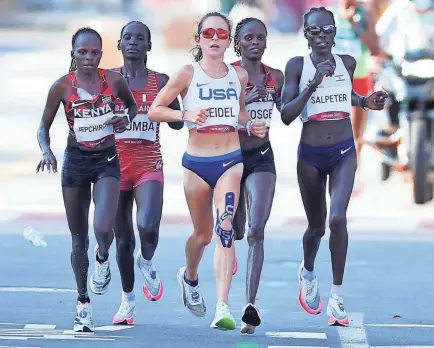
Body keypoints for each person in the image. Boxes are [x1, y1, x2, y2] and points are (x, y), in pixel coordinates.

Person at [148, 11, 267, 330]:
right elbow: (155, 110)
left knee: (225, 228)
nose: (215, 39)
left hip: (230, 160)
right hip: (196, 164)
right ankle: (189, 277)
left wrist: (250, 124)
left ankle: (222, 307)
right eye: (209, 33)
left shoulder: (238, 76)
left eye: (222, 34)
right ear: (199, 39)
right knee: (202, 235)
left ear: (229, 40)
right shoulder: (187, 73)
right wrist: (186, 113)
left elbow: (240, 113)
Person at [280, 7, 387, 326]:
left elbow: (345, 94)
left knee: (338, 218)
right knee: (317, 226)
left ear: (335, 33)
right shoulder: (297, 66)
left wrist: (365, 102)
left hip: (343, 151)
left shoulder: (348, 62)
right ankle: (308, 271)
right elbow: (286, 114)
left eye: (328, 30)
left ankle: (337, 297)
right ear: (306, 35)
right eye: (315, 31)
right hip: (311, 154)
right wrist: (312, 83)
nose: (322, 36)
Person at [36, 27, 138, 332]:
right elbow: (43, 126)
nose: (89, 58)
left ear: (101, 55)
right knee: (78, 238)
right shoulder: (61, 87)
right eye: (83, 52)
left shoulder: (114, 81)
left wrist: (126, 118)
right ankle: (83, 303)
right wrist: (47, 151)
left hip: (107, 161)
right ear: (73, 54)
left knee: (103, 227)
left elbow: (131, 107)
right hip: (75, 165)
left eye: (94, 52)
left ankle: (103, 256)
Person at [109, 20, 183, 325]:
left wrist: (166, 108)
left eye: (140, 38)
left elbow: (178, 121)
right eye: (127, 37)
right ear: (120, 44)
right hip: (112, 169)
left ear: (148, 45)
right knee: (123, 239)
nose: (133, 42)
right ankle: (127, 301)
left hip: (148, 164)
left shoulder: (161, 81)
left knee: (148, 225)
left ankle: (148, 260)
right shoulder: (108, 80)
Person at [230, 17, 284, 334]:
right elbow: (216, 118)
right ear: (238, 43)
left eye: (260, 37)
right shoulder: (226, 75)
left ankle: (250, 305)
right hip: (230, 158)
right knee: (235, 231)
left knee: (256, 231)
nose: (255, 42)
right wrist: (246, 102)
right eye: (248, 37)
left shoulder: (273, 76)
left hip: (262, 157)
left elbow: (289, 111)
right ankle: (229, 248)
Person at [332, 0, 381, 194]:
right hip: (333, 81)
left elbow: (375, 47)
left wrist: (356, 25)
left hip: (359, 78)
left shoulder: (364, 13)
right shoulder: (329, 14)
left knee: (355, 131)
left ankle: (352, 174)